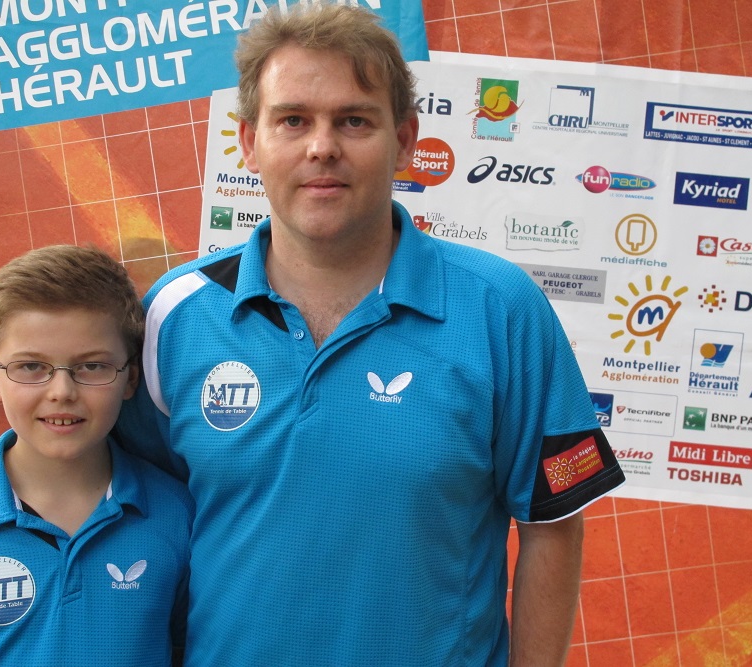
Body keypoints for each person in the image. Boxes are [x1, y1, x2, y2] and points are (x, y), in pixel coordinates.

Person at [117, 4, 625, 665]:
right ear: (248, 141)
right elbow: (131, 510)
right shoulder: (176, 314)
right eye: (292, 120)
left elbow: (551, 526)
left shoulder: (499, 308)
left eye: (353, 120)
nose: (321, 146)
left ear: (405, 139)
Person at [0, 246, 190, 666]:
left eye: (92, 367)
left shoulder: (178, 515)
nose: (62, 392)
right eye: (31, 366)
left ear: (130, 379)